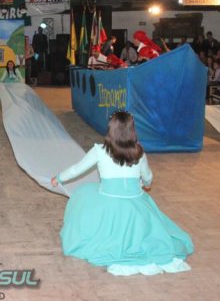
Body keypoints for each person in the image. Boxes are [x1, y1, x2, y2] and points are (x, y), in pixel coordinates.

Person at [50, 111, 193, 275]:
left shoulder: (99, 150)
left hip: (109, 202)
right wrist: (146, 184)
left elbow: (76, 169)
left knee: (82, 194)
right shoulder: (139, 151)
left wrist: (58, 178)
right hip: (135, 203)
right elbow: (147, 176)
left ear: (111, 129)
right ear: (132, 130)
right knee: (152, 219)